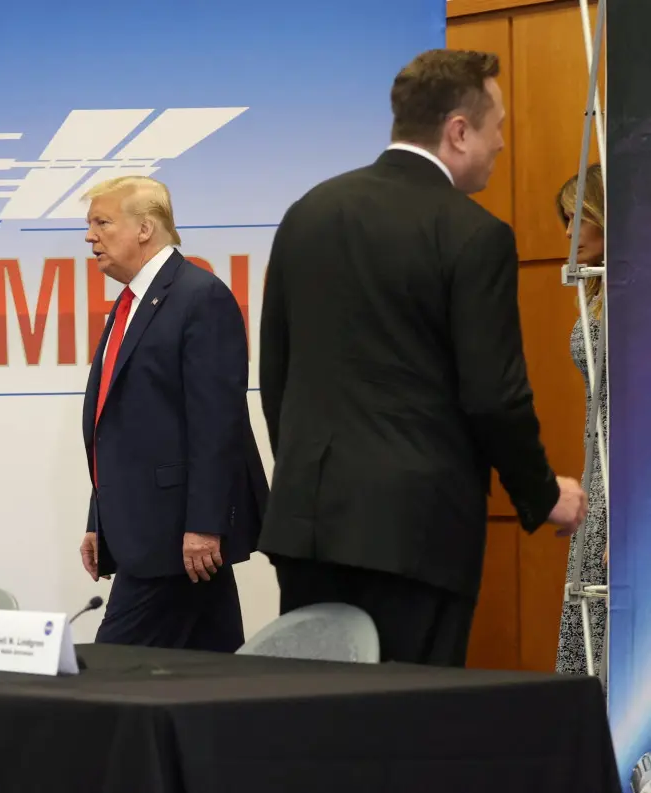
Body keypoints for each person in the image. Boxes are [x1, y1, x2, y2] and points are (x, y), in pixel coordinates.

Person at [257, 49, 587, 667]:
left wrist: (313, 476)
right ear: (458, 131)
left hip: (307, 523)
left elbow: (274, 374)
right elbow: (493, 395)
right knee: (405, 735)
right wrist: (542, 495)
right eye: (497, 128)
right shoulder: (473, 234)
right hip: (414, 536)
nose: (502, 145)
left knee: (309, 730)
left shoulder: (307, 213)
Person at [79, 175, 268, 653]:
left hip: (174, 537)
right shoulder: (131, 304)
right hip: (150, 529)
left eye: (102, 222)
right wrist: (99, 519)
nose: (89, 237)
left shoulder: (199, 297)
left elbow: (217, 423)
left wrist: (205, 525)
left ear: (145, 228)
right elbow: (118, 427)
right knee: (212, 669)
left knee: (110, 673)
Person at [554, 163, 608, 679]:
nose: (569, 234)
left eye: (578, 218)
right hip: (600, 471)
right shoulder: (597, 293)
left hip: (631, 482)